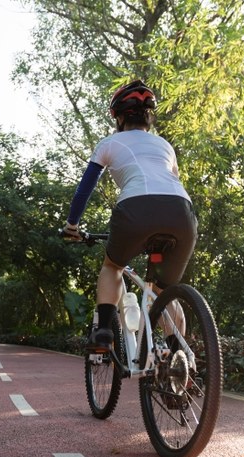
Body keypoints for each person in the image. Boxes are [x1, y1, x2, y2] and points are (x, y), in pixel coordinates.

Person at [62, 80, 197, 352]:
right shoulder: (164, 146)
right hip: (182, 213)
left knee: (113, 266)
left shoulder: (109, 143)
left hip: (137, 210)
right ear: (148, 116)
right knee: (164, 289)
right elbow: (172, 183)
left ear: (119, 116)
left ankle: (103, 334)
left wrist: (72, 225)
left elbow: (83, 190)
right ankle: (177, 357)